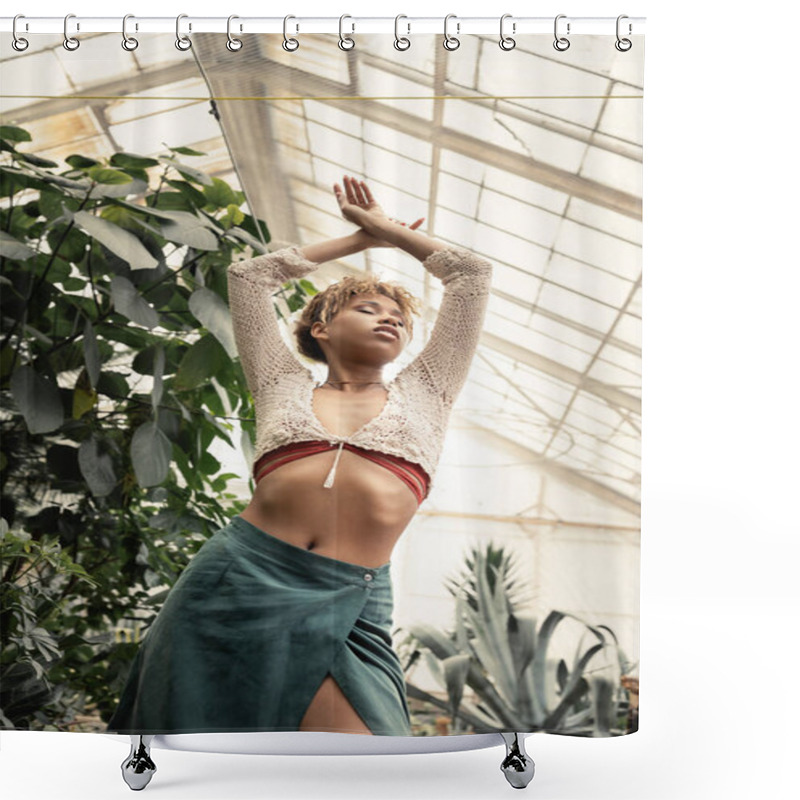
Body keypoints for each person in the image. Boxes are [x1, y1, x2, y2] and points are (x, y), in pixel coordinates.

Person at [106, 175, 493, 738]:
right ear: (321, 329)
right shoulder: (280, 381)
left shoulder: (428, 388)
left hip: (349, 590)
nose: (391, 318)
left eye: (400, 319)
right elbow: (248, 276)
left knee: (363, 763)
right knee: (192, 742)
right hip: (236, 577)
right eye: (368, 308)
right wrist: (356, 244)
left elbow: (471, 274)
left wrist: (385, 229)